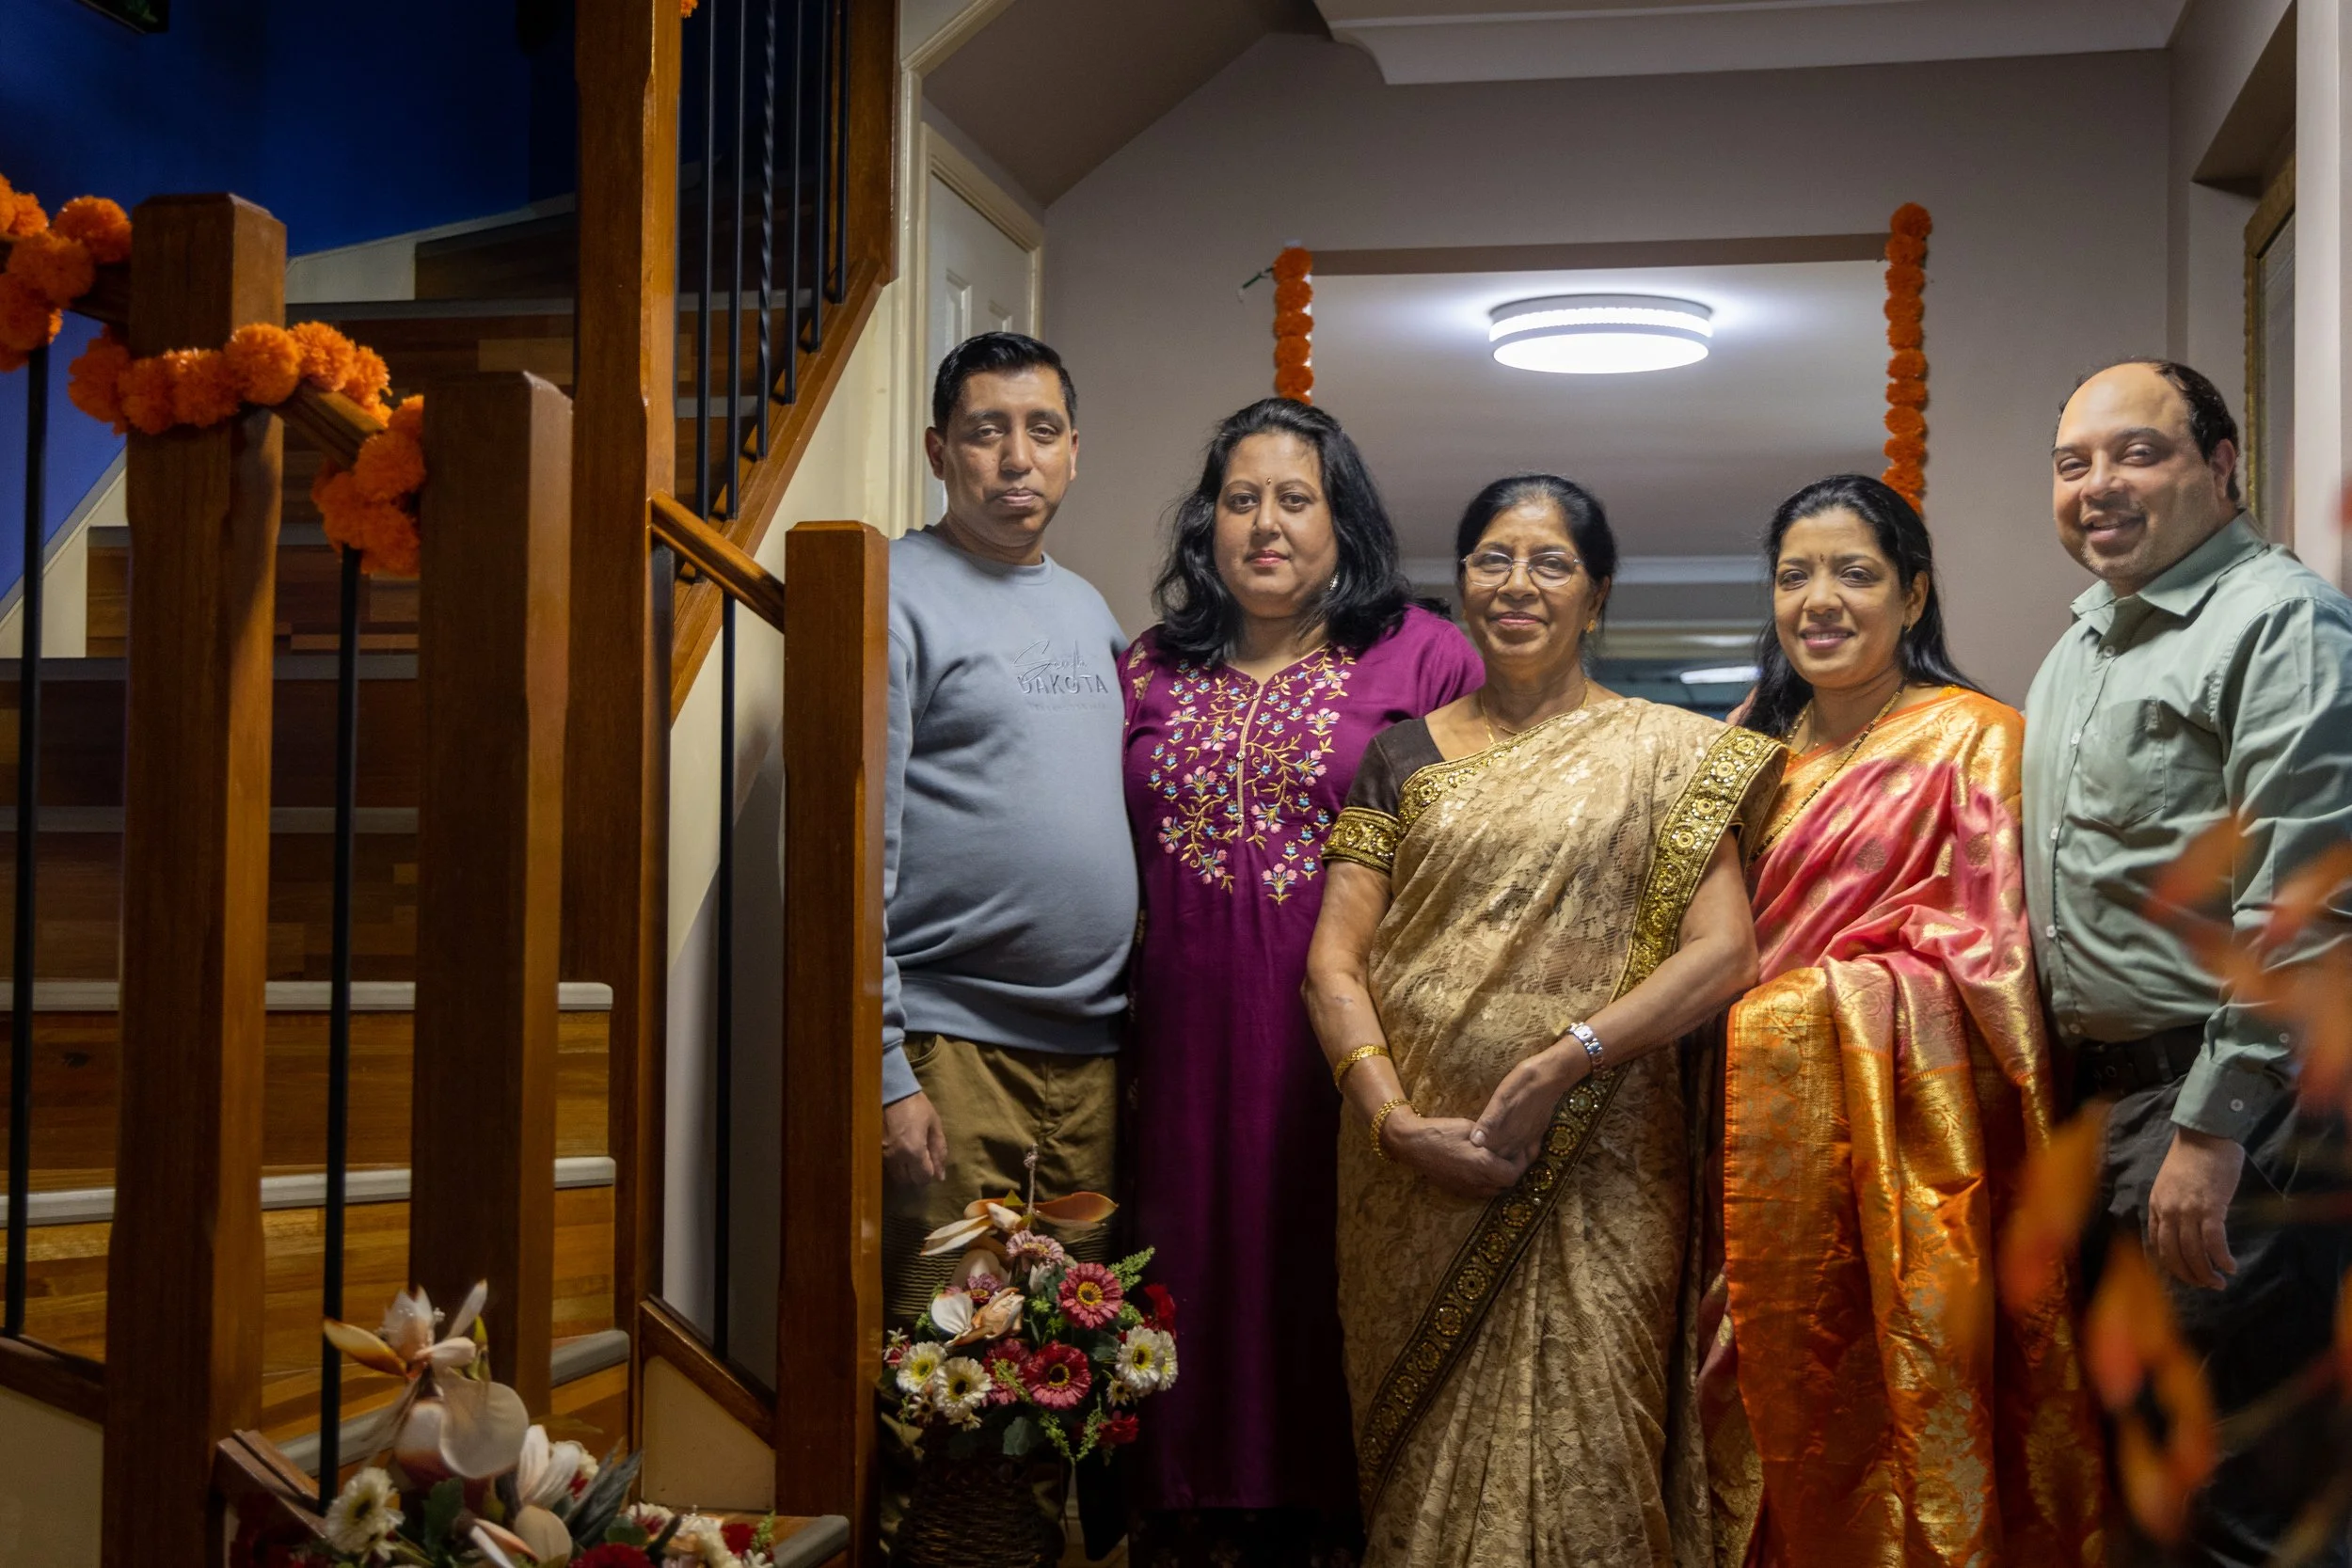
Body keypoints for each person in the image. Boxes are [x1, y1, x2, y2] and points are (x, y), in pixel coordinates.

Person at [1302, 473, 1783, 1565]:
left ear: (1596, 594)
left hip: (1601, 1166)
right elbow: (1333, 964)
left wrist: (1572, 1055)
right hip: (1409, 1179)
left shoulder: (1670, 753)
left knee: (1596, 1441)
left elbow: (1726, 951)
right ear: (1462, 581)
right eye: (1491, 559)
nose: (1517, 585)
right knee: (1421, 1466)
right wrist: (1392, 1122)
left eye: (1551, 562)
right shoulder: (1402, 754)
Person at [1708, 473, 2105, 1566]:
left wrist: (1806, 1007)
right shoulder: (1743, 754)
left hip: (1907, 1167)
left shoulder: (1977, 741)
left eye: (1855, 573)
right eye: (1794, 575)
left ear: (1913, 595)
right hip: (1737, 1146)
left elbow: (1998, 971)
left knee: (1895, 1399)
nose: (1819, 600)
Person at [1120, 398, 1484, 1566]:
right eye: (1240, 499)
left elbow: (1497, 840)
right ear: (1206, 523)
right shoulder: (1148, 669)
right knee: (1185, 1261)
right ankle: (1183, 1514)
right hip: (1174, 1046)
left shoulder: (1424, 654)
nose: (1265, 525)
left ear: (1344, 522)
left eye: (1295, 498)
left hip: (1345, 1045)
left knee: (1321, 1262)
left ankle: (1341, 1519)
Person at [2025, 358, 2352, 1566]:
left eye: (2136, 452)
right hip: (2107, 1108)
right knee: (2144, 1474)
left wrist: (2210, 1133)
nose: (2098, 485)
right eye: (2073, 463)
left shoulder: (2278, 620)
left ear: (2222, 466)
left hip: (2232, 1113)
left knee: (2247, 1502)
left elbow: (2308, 900)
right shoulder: (2083, 645)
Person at [877, 332, 1136, 1552]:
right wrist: (889, 1068)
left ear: (1075, 452)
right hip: (953, 1047)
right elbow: (860, 844)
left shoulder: (1086, 607)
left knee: (1064, 1368)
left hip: (1086, 1055)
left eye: (1041, 428)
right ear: (940, 450)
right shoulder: (894, 589)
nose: (1014, 455)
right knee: (953, 1359)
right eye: (985, 429)